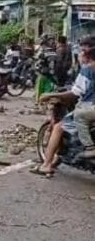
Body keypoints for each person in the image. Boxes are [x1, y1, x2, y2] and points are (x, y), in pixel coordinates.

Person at [35, 37, 95, 175]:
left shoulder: (87, 69)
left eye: (83, 50)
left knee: (58, 127)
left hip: (88, 106)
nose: (81, 53)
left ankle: (46, 164)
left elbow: (75, 93)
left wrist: (50, 95)